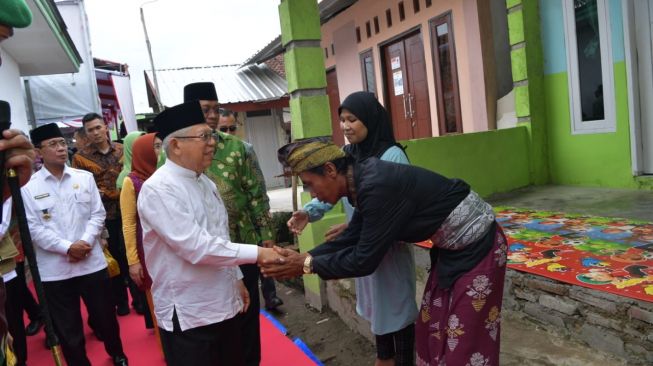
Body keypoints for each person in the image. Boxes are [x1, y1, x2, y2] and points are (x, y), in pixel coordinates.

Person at [264, 137, 508, 366]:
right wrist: (306, 257)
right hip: (450, 251)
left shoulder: (375, 184)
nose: (312, 194)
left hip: (479, 248)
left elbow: (364, 259)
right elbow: (354, 234)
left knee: (464, 338)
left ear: (329, 170)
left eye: (309, 184)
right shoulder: (360, 181)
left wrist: (306, 264)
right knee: (432, 327)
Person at [137, 101, 282, 366]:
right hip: (191, 312)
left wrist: (236, 277)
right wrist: (259, 253)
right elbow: (196, 246)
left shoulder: (204, 181)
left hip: (224, 303)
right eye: (204, 136)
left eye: (212, 135)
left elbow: (220, 235)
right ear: (176, 145)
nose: (213, 143)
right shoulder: (159, 189)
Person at [286, 92, 417, 365]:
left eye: (352, 119)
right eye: (342, 120)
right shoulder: (347, 154)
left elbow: (398, 205)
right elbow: (332, 190)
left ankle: (403, 360)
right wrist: (307, 214)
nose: (346, 126)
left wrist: (354, 226)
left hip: (387, 244)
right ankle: (385, 357)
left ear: (370, 119)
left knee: (396, 304)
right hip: (363, 240)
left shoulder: (391, 155)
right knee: (377, 304)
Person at [184, 82, 276, 365]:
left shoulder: (239, 149)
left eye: (215, 108)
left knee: (246, 312)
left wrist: (266, 237)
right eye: (205, 110)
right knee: (215, 318)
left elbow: (256, 195)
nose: (212, 115)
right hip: (200, 249)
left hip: (242, 244)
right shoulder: (175, 151)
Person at [22, 123, 128, 366]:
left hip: (91, 262)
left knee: (105, 317)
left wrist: (85, 241)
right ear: (39, 152)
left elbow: (97, 215)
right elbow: (33, 228)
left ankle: (117, 353)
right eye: (53, 145)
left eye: (61, 143)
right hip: (55, 270)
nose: (60, 148)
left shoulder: (84, 178)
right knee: (67, 326)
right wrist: (67, 247)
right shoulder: (29, 188)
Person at [72, 113, 141, 316]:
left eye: (98, 127)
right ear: (86, 133)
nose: (95, 132)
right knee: (113, 258)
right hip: (103, 216)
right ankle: (120, 300)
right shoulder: (80, 157)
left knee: (132, 254)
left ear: (105, 128)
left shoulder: (122, 149)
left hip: (130, 210)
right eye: (90, 130)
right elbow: (80, 188)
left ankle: (138, 299)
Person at [218, 109, 283, 310]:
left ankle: (270, 296)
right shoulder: (203, 151)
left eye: (232, 128)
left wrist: (265, 227)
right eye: (223, 129)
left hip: (246, 223)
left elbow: (257, 189)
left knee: (261, 258)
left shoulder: (244, 149)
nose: (228, 132)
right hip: (220, 234)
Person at [120, 133, 161, 335]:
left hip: (171, 244)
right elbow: (128, 223)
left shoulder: (167, 175)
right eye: (156, 147)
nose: (161, 151)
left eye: (161, 145)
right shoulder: (132, 181)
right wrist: (133, 261)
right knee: (156, 301)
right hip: (147, 248)